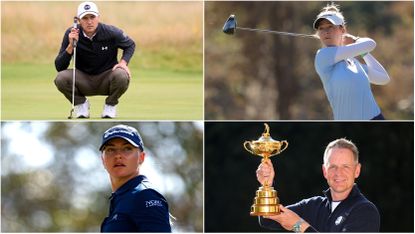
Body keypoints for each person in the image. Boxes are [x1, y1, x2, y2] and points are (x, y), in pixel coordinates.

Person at [256, 138, 380, 232]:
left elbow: (297, 225)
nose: (338, 173)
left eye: (346, 167)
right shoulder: (313, 206)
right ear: (324, 171)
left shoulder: (365, 210)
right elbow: (267, 218)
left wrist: (298, 226)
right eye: (333, 167)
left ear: (357, 170)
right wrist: (267, 185)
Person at [54, 2, 135, 118]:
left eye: (92, 17)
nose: (89, 21)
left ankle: (110, 105)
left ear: (98, 17)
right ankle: (81, 104)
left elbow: (130, 45)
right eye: (85, 18)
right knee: (61, 78)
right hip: (83, 79)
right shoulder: (71, 33)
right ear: (78, 20)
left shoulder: (111, 32)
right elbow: (59, 67)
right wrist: (71, 46)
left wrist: (123, 62)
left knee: (122, 75)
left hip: (107, 77)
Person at [313, 4, 390, 120]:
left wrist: (363, 52)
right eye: (321, 28)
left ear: (342, 29)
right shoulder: (322, 56)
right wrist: (356, 41)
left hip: (377, 119)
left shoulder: (354, 63)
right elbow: (370, 44)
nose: (326, 32)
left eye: (330, 26)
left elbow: (384, 78)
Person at [99, 124, 172, 232]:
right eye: (110, 149)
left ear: (141, 158)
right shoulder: (120, 198)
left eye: (127, 148)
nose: (118, 155)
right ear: (103, 160)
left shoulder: (145, 195)